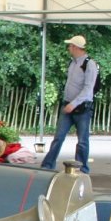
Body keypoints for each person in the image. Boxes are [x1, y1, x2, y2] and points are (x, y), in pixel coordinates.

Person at [41, 35, 97, 174]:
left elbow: (88, 88)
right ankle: (48, 165)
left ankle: (82, 169)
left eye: (70, 46)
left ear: (76, 47)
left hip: (82, 107)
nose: (68, 48)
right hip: (68, 104)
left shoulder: (90, 64)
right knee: (58, 137)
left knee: (82, 140)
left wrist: (74, 103)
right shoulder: (72, 63)